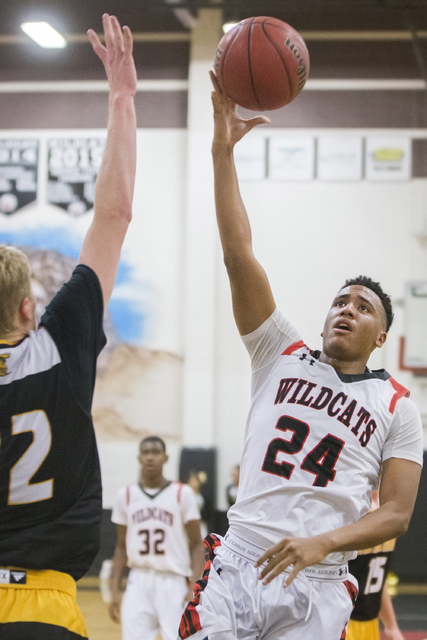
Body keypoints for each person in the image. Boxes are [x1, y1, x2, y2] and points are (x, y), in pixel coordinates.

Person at [178, 73, 423, 640]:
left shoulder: (398, 406)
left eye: (363, 308)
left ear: (381, 336)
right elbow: (239, 254)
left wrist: (325, 542)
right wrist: (222, 152)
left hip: (320, 577)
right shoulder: (279, 352)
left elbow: (398, 514)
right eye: (340, 301)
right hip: (239, 559)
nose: (346, 309)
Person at [0, 14, 137, 639]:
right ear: (30, 308)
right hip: (47, 609)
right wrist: (121, 97)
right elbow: (113, 213)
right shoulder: (60, 342)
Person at [109, 436, 205, 640]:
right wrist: (114, 590)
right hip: (138, 580)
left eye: (155, 452)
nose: (150, 457)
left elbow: (197, 545)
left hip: (173, 581)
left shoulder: (182, 494)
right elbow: (120, 546)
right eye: (145, 453)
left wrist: (196, 586)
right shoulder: (125, 495)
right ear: (139, 458)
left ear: (166, 458)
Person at [347, 492, 404, 640]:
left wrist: (391, 626)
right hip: (343, 621)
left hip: (370, 623)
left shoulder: (390, 513)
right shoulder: (352, 508)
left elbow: (375, 575)